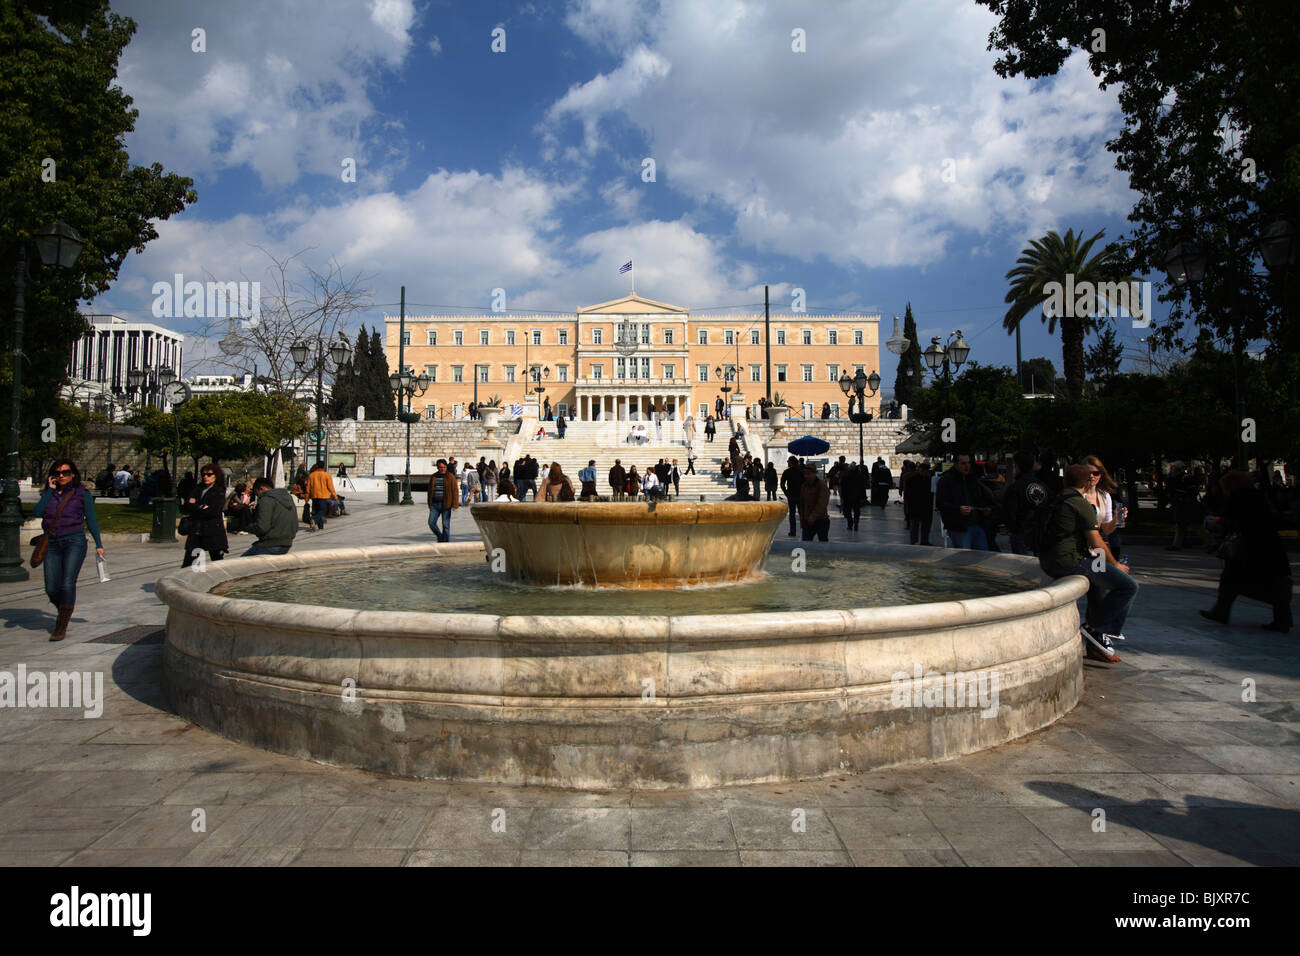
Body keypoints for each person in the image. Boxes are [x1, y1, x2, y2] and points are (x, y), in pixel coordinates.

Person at [1038, 463, 1137, 662]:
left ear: (1065, 480)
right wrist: (1116, 565)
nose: (1094, 477)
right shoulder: (1079, 502)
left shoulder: (1060, 498)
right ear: (1086, 481)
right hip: (1073, 560)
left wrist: (1106, 565)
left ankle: (1096, 641)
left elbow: (1103, 533)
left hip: (1056, 558)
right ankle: (1097, 628)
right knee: (1128, 586)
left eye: (1097, 473)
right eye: (1090, 474)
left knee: (1100, 582)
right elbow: (1096, 540)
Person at [1200, 470, 1293, 632]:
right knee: (1276, 583)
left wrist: (1219, 521)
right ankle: (1282, 620)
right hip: (1270, 546)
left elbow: (1234, 520)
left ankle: (1221, 611)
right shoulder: (1257, 495)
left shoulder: (1236, 498)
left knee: (1230, 578)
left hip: (1247, 547)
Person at [32, 459, 104, 641]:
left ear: (73, 474)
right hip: (52, 543)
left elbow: (92, 520)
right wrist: (48, 490)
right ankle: (64, 608)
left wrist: (99, 543)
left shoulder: (81, 494)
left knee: (67, 583)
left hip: (74, 542)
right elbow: (37, 512)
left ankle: (61, 625)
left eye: (65, 472)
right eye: (57, 473)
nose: (61, 476)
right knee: (51, 587)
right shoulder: (49, 494)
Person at [935, 453, 996, 550]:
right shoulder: (946, 480)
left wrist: (984, 509)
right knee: (964, 555)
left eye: (968, 463)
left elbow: (980, 498)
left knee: (982, 554)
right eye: (963, 463)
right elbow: (940, 504)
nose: (967, 466)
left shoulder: (972, 479)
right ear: (955, 464)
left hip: (977, 524)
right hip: (959, 527)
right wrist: (958, 509)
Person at [181, 464, 229, 567]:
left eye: (209, 474)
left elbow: (213, 510)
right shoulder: (198, 488)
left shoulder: (219, 490)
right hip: (196, 530)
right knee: (191, 563)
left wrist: (196, 505)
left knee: (217, 562)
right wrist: (202, 507)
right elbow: (187, 505)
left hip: (212, 531)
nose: (205, 477)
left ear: (216, 475)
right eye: (203, 474)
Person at [1002, 451, 1046, 555]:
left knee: (1023, 567)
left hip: (1022, 535)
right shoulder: (1042, 486)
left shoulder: (1015, 488)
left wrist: (1014, 530)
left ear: (1016, 466)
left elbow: (1009, 514)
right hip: (1039, 534)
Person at [1081, 455, 1125, 557]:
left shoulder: (1105, 496)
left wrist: (1117, 518)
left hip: (1097, 550)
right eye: (1088, 473)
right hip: (1078, 549)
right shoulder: (1077, 494)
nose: (1091, 476)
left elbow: (1106, 529)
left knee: (1102, 571)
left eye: (1095, 473)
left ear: (1101, 475)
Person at [244, 477, 298, 556]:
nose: (258, 497)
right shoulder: (287, 498)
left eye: (257, 494)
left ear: (261, 488)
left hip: (270, 544)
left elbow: (262, 527)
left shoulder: (265, 499)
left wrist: (248, 527)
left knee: (237, 565)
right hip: (287, 543)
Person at [1166, 460, 1202, 550]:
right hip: (1181, 504)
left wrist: (1181, 494)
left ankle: (1211, 542)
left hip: (1186, 504)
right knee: (1181, 525)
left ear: (1178, 469)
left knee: (1194, 524)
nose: (1171, 470)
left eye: (1173, 468)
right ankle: (1177, 544)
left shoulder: (1185, 478)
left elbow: (1191, 491)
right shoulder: (1176, 477)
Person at [427, 459, 458, 542]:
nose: (443, 469)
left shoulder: (451, 477)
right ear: (437, 467)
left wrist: (455, 504)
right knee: (431, 523)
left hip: (446, 504)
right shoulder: (433, 476)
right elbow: (430, 490)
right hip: (434, 504)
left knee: (446, 525)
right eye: (441, 467)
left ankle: (446, 543)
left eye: (444, 467)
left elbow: (455, 491)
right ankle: (440, 537)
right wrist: (429, 502)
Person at [903, 461, 934, 545]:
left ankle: (924, 540)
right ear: (920, 469)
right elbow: (908, 494)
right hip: (915, 506)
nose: (925, 472)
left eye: (927, 470)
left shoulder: (929, 479)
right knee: (915, 525)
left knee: (926, 525)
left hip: (926, 506)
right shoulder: (912, 479)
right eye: (924, 470)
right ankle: (914, 541)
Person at [800, 465, 831, 542]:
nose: (806, 476)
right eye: (805, 474)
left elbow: (822, 503)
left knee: (823, 543)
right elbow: (802, 504)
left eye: (809, 474)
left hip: (821, 519)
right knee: (806, 543)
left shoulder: (822, 485)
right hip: (808, 520)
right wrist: (802, 520)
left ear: (814, 474)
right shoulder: (804, 486)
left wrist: (813, 516)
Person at [305, 461, 337, 531]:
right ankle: (314, 520)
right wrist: (334, 495)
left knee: (317, 511)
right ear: (323, 466)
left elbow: (308, 487)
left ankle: (321, 527)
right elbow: (330, 487)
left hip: (314, 495)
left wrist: (307, 497)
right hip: (323, 495)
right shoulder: (326, 475)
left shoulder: (311, 475)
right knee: (322, 510)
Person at [780, 455, 803, 537]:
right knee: (802, 513)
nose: (787, 463)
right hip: (800, 495)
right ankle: (804, 530)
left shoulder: (787, 472)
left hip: (791, 495)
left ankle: (793, 531)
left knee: (792, 514)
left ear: (791, 462)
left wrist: (786, 493)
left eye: (788, 461)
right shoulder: (800, 471)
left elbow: (782, 484)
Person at [841, 460, 867, 531]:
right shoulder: (859, 475)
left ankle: (850, 524)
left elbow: (843, 487)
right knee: (856, 510)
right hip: (857, 496)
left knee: (848, 511)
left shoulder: (845, 475)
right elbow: (862, 487)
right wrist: (863, 496)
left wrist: (842, 496)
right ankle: (856, 522)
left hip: (847, 496)